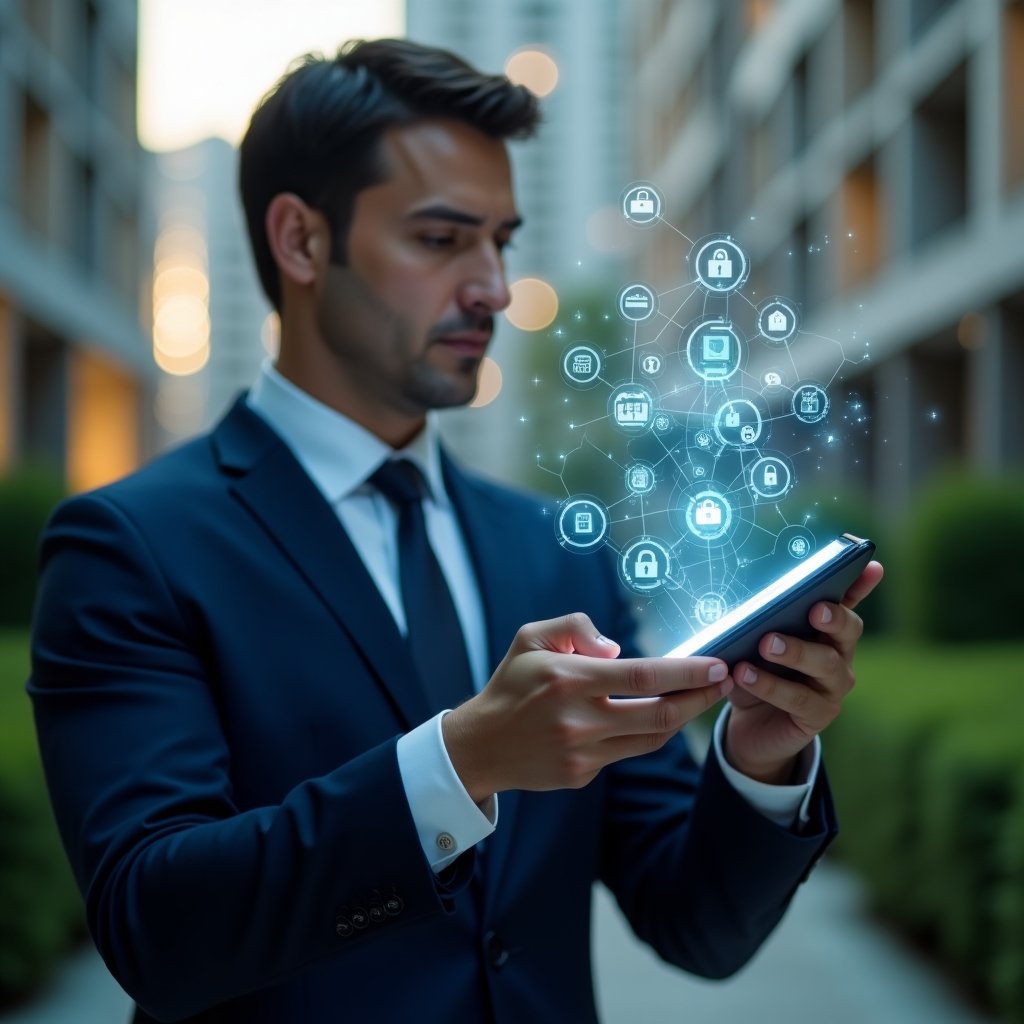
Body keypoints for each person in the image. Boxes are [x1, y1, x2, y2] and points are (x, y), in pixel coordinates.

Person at [28, 38, 883, 1024]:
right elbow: (154, 923)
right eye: (441, 240)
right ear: (301, 241)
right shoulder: (130, 546)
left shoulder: (554, 549)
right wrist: (460, 762)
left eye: (501, 240)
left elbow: (694, 927)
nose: (492, 287)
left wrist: (760, 760)